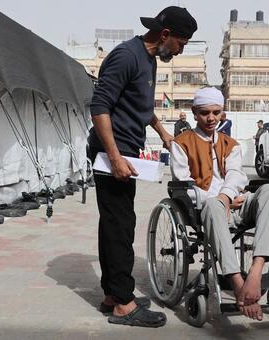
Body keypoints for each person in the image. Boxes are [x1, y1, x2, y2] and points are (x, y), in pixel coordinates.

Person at [89, 6, 197, 328]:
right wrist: (116, 158)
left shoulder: (147, 59)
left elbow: (140, 105)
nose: (181, 51)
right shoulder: (126, 56)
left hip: (124, 150)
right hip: (112, 151)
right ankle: (123, 304)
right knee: (120, 225)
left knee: (114, 222)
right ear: (165, 35)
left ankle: (113, 293)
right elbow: (99, 107)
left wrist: (163, 133)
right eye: (182, 43)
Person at [170, 87, 269, 321]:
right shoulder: (181, 144)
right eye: (204, 113)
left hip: (236, 202)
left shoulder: (231, 144)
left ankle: (256, 271)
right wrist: (222, 203)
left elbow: (236, 175)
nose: (210, 118)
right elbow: (184, 186)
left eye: (216, 112)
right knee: (212, 204)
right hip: (205, 209)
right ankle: (239, 284)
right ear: (194, 113)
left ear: (223, 113)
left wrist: (227, 198)